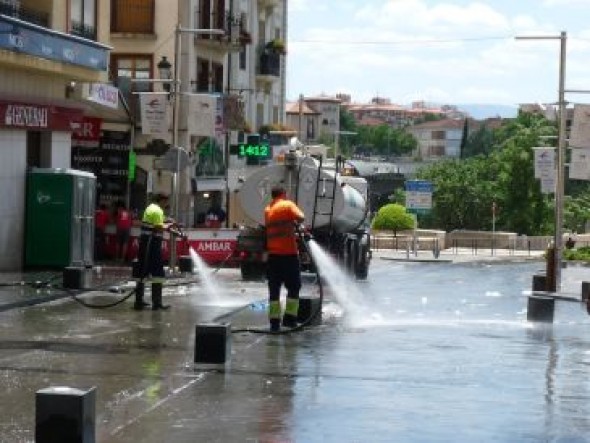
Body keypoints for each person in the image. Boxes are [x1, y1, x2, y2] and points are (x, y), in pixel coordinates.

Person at [264, 185, 305, 332]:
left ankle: (274, 323)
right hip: (289, 255)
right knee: (294, 287)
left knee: (274, 290)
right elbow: (301, 217)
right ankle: (290, 320)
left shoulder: (268, 209)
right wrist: (294, 223)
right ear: (284, 194)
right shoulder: (287, 205)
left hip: (273, 257)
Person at [135, 193, 175, 311]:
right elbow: (158, 226)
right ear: (162, 200)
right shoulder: (157, 210)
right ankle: (157, 303)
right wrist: (170, 226)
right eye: (166, 202)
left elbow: (156, 221)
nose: (167, 204)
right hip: (152, 245)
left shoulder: (150, 208)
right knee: (158, 272)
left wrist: (167, 221)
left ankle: (139, 301)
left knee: (142, 271)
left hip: (145, 244)